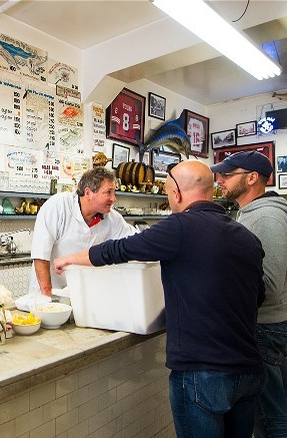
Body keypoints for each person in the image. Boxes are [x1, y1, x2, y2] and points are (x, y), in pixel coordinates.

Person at [54, 161, 266, 437]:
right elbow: (258, 296)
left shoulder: (179, 228)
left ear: (176, 193)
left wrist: (69, 259)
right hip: (249, 371)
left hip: (201, 373)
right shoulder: (247, 238)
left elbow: (120, 250)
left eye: (167, 191)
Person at [211, 151, 287, 437]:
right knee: (286, 405)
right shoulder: (254, 213)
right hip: (269, 326)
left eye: (227, 175)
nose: (220, 180)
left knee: (268, 417)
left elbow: (269, 283)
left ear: (251, 178)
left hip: (261, 328)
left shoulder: (266, 217)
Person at [29, 167, 137, 297]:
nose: (113, 199)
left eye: (114, 192)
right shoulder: (58, 206)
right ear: (88, 193)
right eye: (108, 192)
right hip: (47, 291)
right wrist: (46, 296)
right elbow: (41, 253)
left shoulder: (112, 219)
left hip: (81, 295)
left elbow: (136, 241)